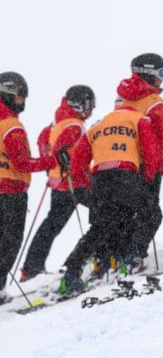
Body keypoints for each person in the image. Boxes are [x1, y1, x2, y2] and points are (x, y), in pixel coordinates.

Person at [59, 101, 159, 294]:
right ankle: (130, 258)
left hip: (100, 179)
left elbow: (77, 163)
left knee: (101, 227)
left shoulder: (97, 124)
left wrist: (86, 187)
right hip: (126, 175)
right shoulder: (140, 119)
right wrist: (146, 179)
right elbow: (151, 153)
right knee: (151, 213)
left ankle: (71, 271)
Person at [20, 86, 95, 282]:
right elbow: (62, 147)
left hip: (58, 184)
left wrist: (51, 167)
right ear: (79, 105)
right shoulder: (75, 125)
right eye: (90, 106)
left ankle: (31, 268)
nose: (91, 111)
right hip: (77, 182)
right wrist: (62, 158)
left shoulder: (54, 124)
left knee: (51, 225)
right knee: (107, 214)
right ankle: (96, 257)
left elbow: (42, 141)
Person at [115, 53, 163, 268]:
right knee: (151, 214)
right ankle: (133, 255)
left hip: (120, 164)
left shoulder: (121, 98)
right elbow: (158, 141)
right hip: (145, 165)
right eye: (161, 73)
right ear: (148, 73)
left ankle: (117, 254)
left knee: (126, 211)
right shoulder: (154, 103)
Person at [0, 72, 57, 305]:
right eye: (22, 95)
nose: (24, 101)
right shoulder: (11, 126)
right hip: (10, 191)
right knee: (10, 244)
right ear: (10, 93)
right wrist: (52, 161)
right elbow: (22, 163)